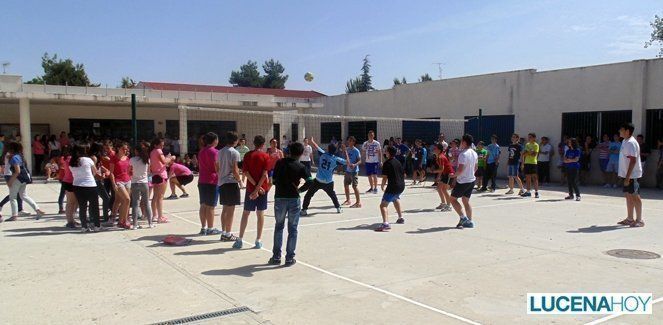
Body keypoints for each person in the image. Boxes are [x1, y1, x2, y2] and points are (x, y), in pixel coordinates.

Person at [269, 142, 313, 266]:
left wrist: (281, 183)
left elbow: (274, 180)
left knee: (279, 226)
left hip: (280, 198)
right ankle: (289, 258)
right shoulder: (301, 166)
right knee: (292, 229)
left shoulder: (279, 163)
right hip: (294, 199)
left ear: (289, 151)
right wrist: (300, 189)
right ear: (300, 153)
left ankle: (276, 257)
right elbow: (310, 181)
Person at [234, 135, 270, 249]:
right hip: (262, 190)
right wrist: (258, 189)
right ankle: (258, 240)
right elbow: (265, 175)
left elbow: (246, 173)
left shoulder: (248, 155)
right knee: (260, 214)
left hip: (251, 189)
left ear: (253, 143)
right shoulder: (265, 156)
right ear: (263, 144)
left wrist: (254, 188)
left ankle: (240, 239)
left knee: (246, 213)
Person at [301, 137, 348, 216]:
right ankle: (338, 208)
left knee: (308, 195)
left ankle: (304, 210)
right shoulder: (336, 159)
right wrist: (345, 151)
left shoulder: (323, 154)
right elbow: (347, 162)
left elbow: (316, 146)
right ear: (335, 151)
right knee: (332, 195)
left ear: (328, 149)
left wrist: (312, 141)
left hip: (318, 180)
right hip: (328, 182)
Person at [2, 142, 45, 222]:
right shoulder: (20, 156)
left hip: (17, 179)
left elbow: (17, 171)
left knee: (13, 197)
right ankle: (38, 210)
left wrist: (10, 181)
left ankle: (14, 215)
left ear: (11, 149)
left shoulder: (14, 157)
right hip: (24, 179)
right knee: (24, 196)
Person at [217, 132, 243, 242]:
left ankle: (224, 232)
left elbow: (217, 166)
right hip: (231, 182)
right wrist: (240, 180)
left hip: (222, 182)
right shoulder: (234, 152)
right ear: (235, 141)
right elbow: (235, 169)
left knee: (225, 209)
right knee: (231, 210)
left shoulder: (220, 151)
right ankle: (228, 234)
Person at [616, 123, 644, 228]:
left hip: (633, 175)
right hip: (626, 175)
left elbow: (633, 161)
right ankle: (630, 219)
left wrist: (628, 177)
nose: (619, 131)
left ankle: (640, 220)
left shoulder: (631, 143)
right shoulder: (624, 141)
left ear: (627, 131)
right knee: (628, 195)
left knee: (635, 196)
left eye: (621, 129)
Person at [69, 144, 100, 232]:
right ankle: (97, 225)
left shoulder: (71, 162)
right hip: (90, 184)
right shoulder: (88, 160)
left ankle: (84, 226)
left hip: (77, 185)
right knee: (94, 206)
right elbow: (95, 172)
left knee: (82, 207)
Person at [449, 135, 478, 229]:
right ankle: (470, 221)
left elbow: (460, 169)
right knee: (466, 201)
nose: (460, 143)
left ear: (465, 142)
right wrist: (470, 174)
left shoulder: (463, 154)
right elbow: (476, 167)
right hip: (471, 180)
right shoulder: (474, 153)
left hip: (463, 181)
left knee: (452, 199)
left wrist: (453, 175)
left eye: (461, 141)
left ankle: (463, 218)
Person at [374, 146, 406, 232]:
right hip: (401, 186)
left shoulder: (387, 163)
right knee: (395, 198)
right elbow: (404, 174)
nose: (385, 152)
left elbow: (385, 177)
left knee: (383, 205)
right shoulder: (398, 162)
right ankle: (400, 217)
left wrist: (382, 186)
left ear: (388, 152)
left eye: (386, 151)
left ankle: (385, 224)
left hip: (393, 186)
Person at [197, 132, 221, 236]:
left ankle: (203, 228)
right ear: (214, 140)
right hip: (212, 181)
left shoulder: (201, 151)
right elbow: (217, 167)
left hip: (202, 180)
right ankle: (210, 228)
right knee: (211, 206)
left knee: (203, 205)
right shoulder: (215, 152)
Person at [129, 142, 153, 229]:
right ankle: (150, 223)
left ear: (136, 151)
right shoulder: (146, 160)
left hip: (135, 182)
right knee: (146, 203)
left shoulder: (132, 160)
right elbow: (149, 171)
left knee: (135, 204)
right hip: (144, 182)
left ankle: (135, 224)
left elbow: (129, 171)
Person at [150, 138, 172, 223]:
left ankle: (154, 215)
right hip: (161, 175)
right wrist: (170, 157)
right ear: (156, 145)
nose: (162, 147)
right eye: (161, 145)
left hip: (155, 174)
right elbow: (164, 161)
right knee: (160, 197)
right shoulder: (158, 151)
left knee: (155, 196)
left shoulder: (152, 152)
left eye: (162, 145)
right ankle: (160, 217)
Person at [110, 143, 132, 229]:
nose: (125, 150)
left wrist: (131, 175)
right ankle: (123, 220)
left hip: (127, 180)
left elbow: (129, 170)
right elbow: (111, 172)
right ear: (118, 148)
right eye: (123, 149)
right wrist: (113, 184)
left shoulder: (127, 158)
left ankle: (121, 220)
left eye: (126, 149)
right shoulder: (114, 158)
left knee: (123, 201)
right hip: (118, 181)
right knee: (127, 199)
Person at [432, 143, 454, 211]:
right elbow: (442, 169)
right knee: (439, 188)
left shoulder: (441, 157)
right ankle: (443, 203)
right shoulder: (439, 156)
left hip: (449, 174)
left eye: (435, 148)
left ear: (439, 150)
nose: (433, 149)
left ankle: (449, 206)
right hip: (445, 174)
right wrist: (438, 176)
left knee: (444, 190)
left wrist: (433, 171)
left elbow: (441, 169)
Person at [342, 136, 362, 208]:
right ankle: (348, 200)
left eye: (351, 141)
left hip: (354, 171)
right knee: (346, 185)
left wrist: (354, 164)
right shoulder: (347, 149)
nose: (349, 142)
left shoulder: (356, 151)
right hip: (348, 170)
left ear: (353, 142)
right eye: (348, 141)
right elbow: (345, 159)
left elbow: (360, 161)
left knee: (354, 186)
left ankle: (358, 202)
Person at [521, 133, 540, 198]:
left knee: (534, 178)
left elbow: (534, 154)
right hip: (527, 163)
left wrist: (528, 152)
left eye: (530, 137)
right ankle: (528, 192)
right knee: (527, 178)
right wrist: (530, 152)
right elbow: (524, 154)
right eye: (528, 137)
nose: (529, 138)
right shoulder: (527, 144)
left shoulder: (536, 145)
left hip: (533, 163)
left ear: (534, 138)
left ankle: (536, 192)